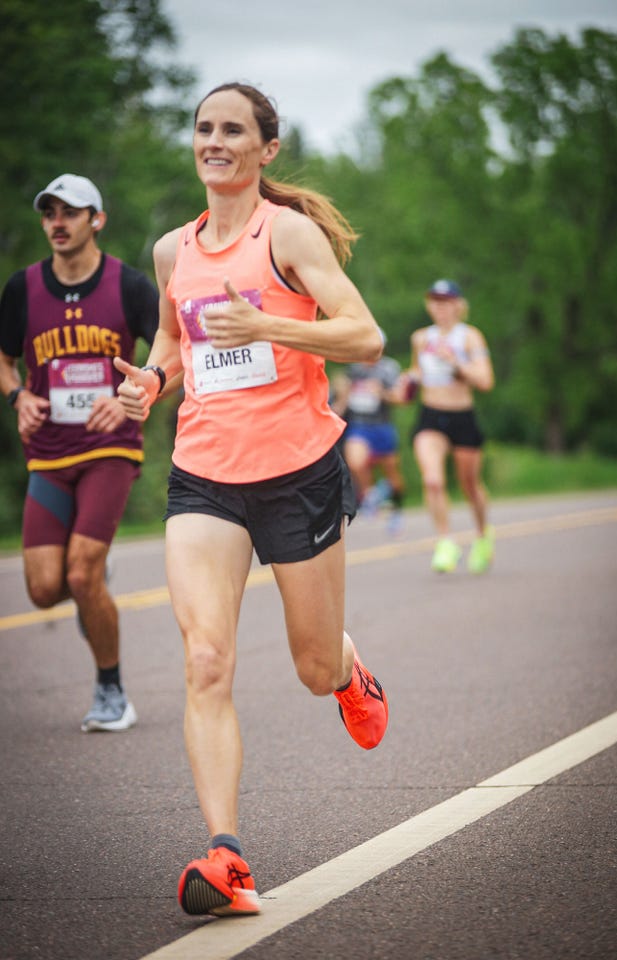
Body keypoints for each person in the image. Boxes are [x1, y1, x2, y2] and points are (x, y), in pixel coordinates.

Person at [114, 82, 389, 919]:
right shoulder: (173, 251)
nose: (214, 141)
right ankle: (227, 857)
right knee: (206, 658)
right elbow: (173, 336)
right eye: (204, 129)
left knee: (310, 667)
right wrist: (152, 381)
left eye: (233, 131)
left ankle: (347, 670)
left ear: (266, 150)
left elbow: (365, 334)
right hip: (204, 474)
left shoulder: (287, 235)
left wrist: (270, 326)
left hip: (299, 471)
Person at [0, 173, 161, 732]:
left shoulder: (130, 286)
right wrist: (18, 396)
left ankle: (112, 692)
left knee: (81, 573)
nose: (57, 223)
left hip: (109, 447)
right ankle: (88, 578)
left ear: (97, 220)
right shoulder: (22, 289)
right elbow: (3, 361)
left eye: (70, 213)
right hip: (48, 452)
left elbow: (170, 353)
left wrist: (131, 397)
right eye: (49, 213)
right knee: (45, 589)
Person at [407, 278, 495, 573]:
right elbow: (418, 373)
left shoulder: (470, 337)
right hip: (431, 416)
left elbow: (485, 381)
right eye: (435, 301)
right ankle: (445, 542)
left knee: (470, 485)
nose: (440, 308)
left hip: (462, 418)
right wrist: (406, 382)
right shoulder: (421, 338)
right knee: (432, 480)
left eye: (446, 302)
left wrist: (456, 363)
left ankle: (482, 537)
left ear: (458, 305)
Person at [331, 346, 405, 530]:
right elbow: (341, 391)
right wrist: (341, 397)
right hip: (359, 426)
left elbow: (401, 398)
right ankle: (369, 494)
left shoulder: (389, 368)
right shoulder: (354, 370)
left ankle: (396, 508)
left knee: (393, 476)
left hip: (382, 426)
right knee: (355, 461)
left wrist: (382, 394)